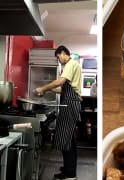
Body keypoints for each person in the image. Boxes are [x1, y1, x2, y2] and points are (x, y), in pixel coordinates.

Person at [35, 45, 81, 180]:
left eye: (58, 57)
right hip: (71, 103)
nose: (58, 60)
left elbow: (60, 82)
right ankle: (69, 168)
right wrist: (45, 89)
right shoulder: (73, 65)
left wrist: (43, 87)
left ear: (63, 53)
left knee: (64, 139)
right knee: (69, 140)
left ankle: (70, 174)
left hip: (70, 105)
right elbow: (63, 90)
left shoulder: (70, 63)